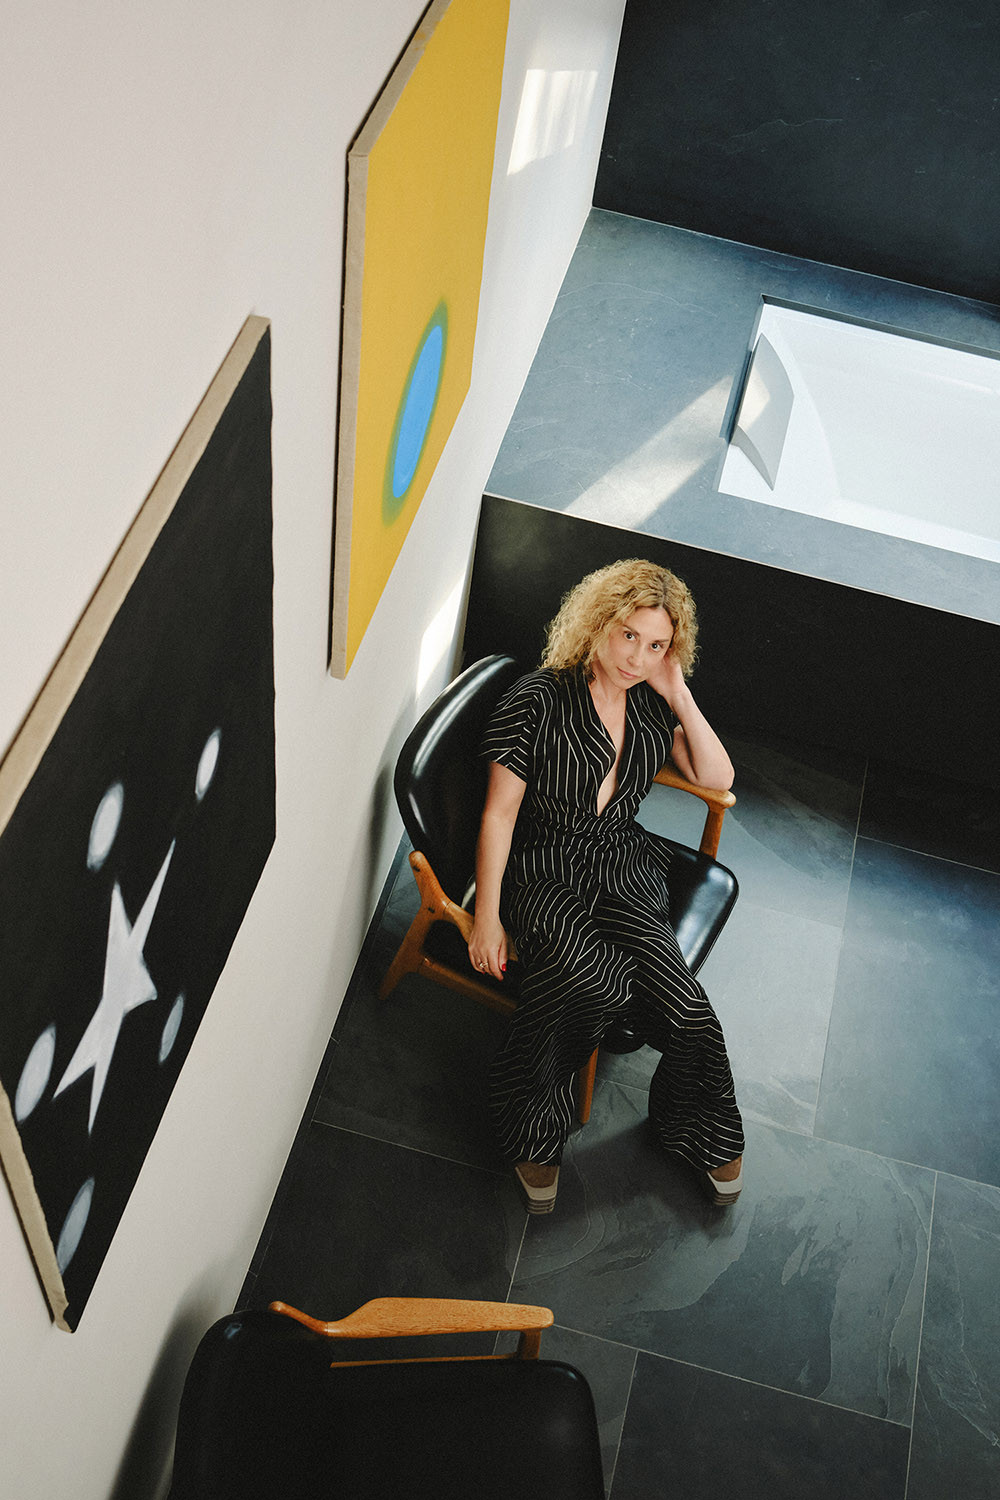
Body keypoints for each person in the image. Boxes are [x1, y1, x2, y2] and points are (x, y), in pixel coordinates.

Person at [467, 558, 744, 1214]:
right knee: (588, 982)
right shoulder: (537, 698)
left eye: (657, 646)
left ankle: (695, 1127)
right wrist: (487, 916)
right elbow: (498, 814)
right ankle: (532, 1131)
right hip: (544, 865)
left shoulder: (649, 703)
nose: (637, 658)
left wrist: (677, 692)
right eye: (628, 636)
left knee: (686, 1006)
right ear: (598, 622)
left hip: (622, 863)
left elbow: (718, 775)